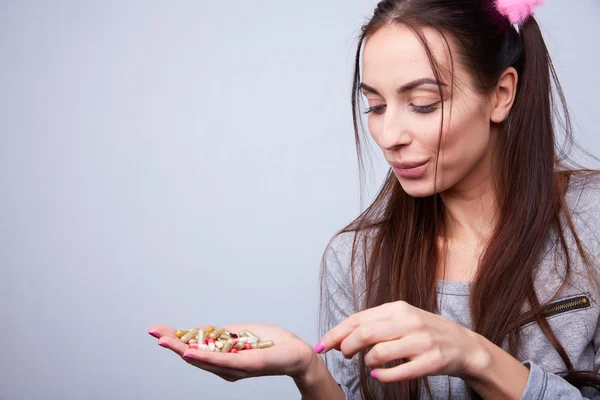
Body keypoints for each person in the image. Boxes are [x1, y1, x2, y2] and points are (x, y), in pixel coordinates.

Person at [149, 0, 600, 398]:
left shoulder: (591, 220)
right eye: (375, 106)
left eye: (422, 103)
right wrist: (308, 372)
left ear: (501, 94)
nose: (388, 136)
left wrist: (474, 356)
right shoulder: (355, 258)